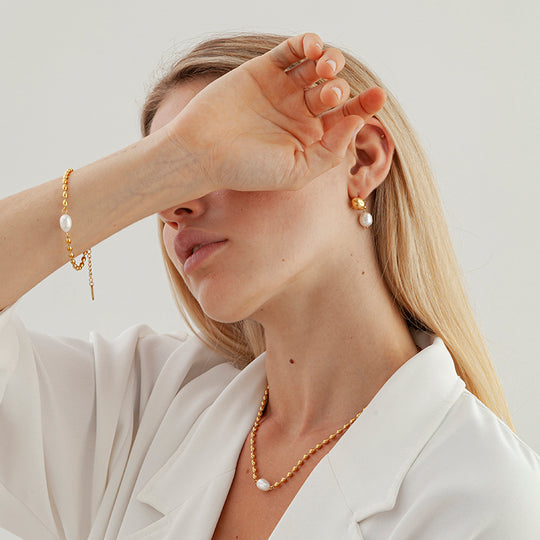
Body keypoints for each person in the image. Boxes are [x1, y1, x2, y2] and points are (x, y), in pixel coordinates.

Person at [0, 31, 539, 540]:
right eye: (165, 178)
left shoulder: (481, 493)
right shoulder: (142, 407)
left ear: (361, 158)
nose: (172, 208)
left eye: (223, 153)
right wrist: (158, 167)